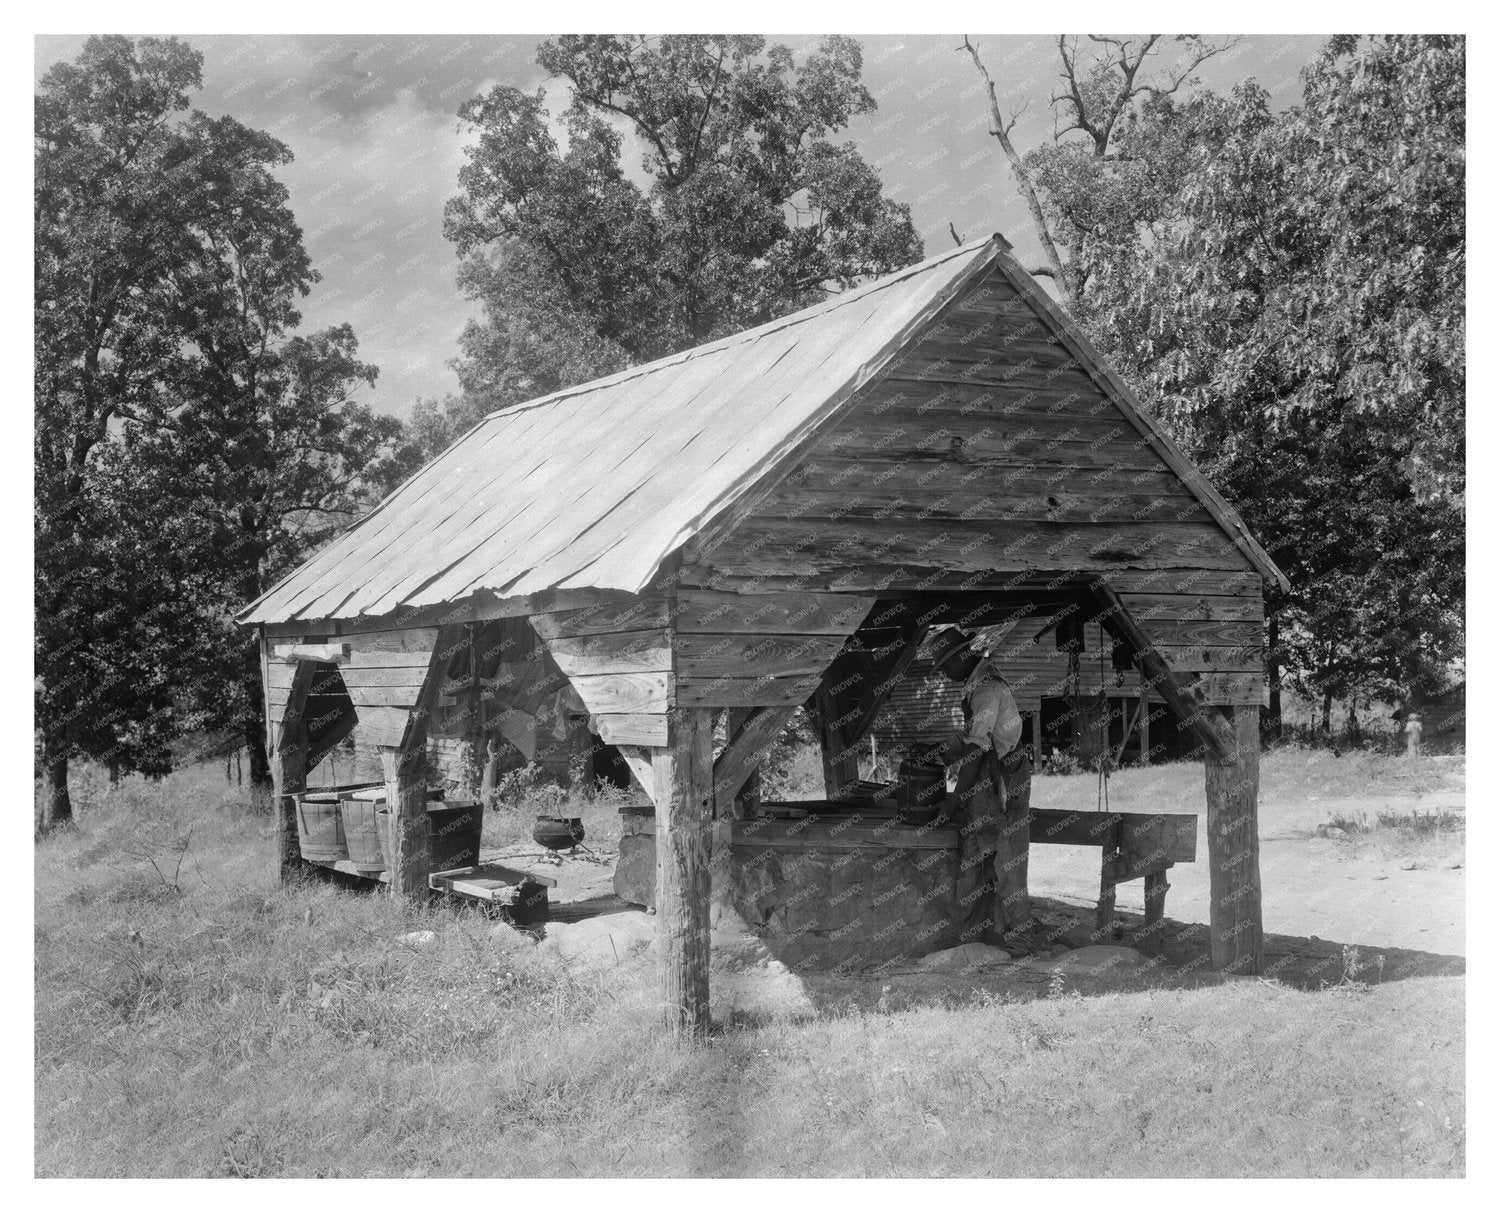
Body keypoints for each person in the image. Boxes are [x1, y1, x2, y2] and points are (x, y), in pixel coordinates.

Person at [922, 627, 1035, 946]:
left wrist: (954, 801)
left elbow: (976, 749)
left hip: (1004, 778)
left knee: (1008, 861)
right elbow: (972, 738)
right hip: (989, 774)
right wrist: (937, 753)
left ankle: (1020, 938)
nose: (943, 672)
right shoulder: (976, 685)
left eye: (945, 664)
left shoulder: (987, 689)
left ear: (962, 656)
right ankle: (971, 934)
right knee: (976, 854)